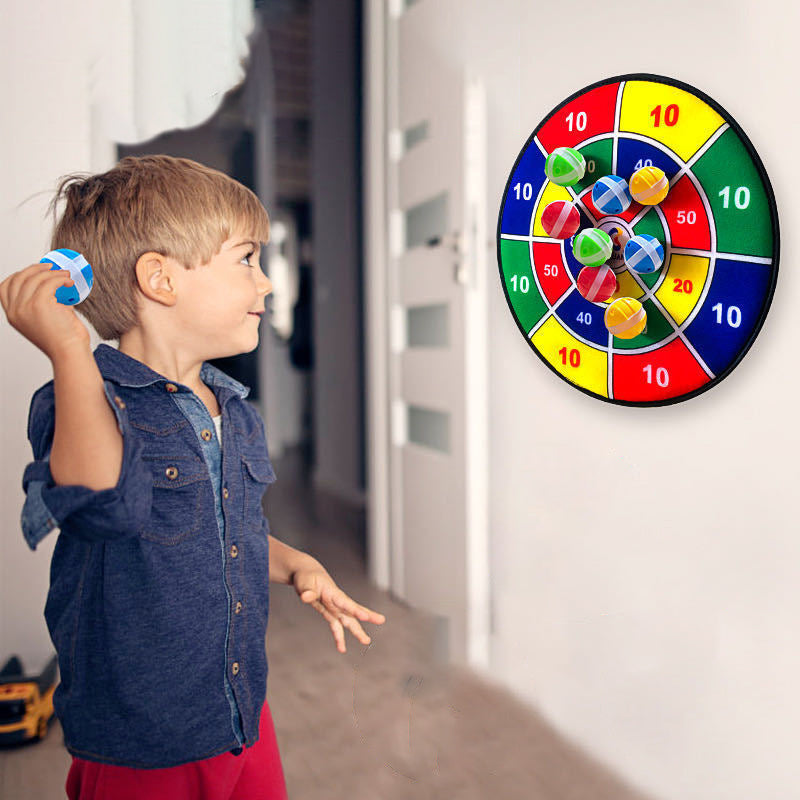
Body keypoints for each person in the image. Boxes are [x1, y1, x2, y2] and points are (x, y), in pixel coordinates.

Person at [0, 155, 386, 800]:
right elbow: (102, 506)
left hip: (237, 710)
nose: (265, 285)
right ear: (160, 279)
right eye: (247, 260)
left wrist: (297, 564)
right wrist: (69, 350)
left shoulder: (232, 409)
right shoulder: (79, 400)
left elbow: (226, 532)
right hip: (143, 739)